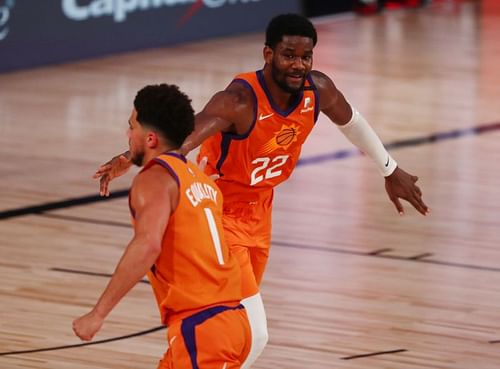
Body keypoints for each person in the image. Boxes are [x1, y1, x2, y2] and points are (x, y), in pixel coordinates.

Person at [94, 13, 429, 366]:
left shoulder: (319, 90)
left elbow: (352, 122)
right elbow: (183, 141)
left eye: (305, 56)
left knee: (236, 334)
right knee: (252, 332)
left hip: (260, 213)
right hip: (217, 217)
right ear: (268, 54)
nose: (298, 65)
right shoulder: (238, 101)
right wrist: (132, 156)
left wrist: (389, 169)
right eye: (288, 55)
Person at [73, 84, 251, 369]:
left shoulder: (154, 180)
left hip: (202, 327)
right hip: (229, 321)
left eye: (132, 126)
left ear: (151, 138)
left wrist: (98, 313)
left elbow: (147, 245)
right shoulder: (201, 180)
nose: (127, 135)